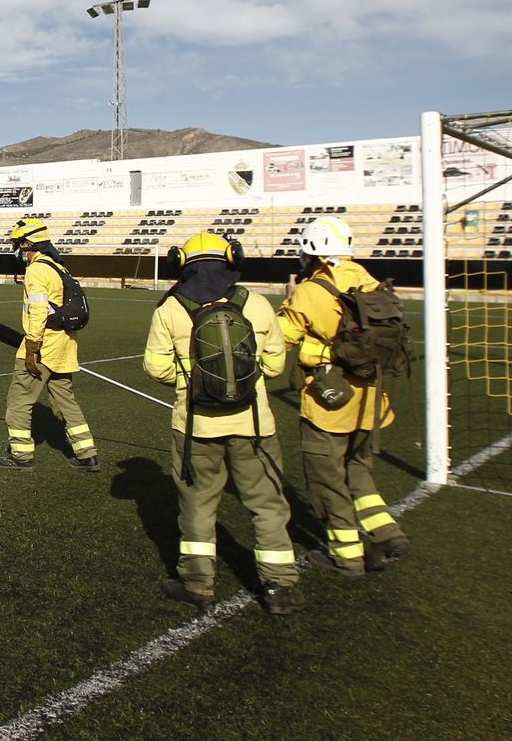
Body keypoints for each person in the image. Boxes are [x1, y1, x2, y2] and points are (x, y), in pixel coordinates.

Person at [143, 231, 303, 615]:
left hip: (195, 425)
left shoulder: (170, 308)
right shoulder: (258, 304)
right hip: (254, 423)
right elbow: (275, 366)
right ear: (232, 259)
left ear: (181, 263)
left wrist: (192, 382)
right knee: (267, 504)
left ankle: (198, 584)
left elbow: (155, 367)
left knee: (197, 505)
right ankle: (280, 585)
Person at [278, 217, 412, 578]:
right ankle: (387, 533)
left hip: (331, 403)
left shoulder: (311, 291)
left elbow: (280, 337)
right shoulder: (371, 282)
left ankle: (346, 556)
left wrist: (289, 302)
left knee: (327, 480)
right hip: (371, 401)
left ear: (313, 253)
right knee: (359, 470)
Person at [0, 217, 99, 473]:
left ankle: (21, 455)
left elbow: (39, 311)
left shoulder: (36, 270)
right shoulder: (58, 267)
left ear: (27, 244)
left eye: (19, 245)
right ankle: (87, 454)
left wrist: (32, 346)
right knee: (65, 401)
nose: (18, 250)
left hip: (43, 345)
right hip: (65, 346)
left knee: (19, 400)